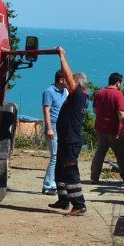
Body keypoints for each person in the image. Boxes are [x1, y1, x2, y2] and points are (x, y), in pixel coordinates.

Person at [49, 47, 88, 216]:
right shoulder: (76, 96)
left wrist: (62, 56)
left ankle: (79, 205)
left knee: (71, 172)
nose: (66, 81)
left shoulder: (79, 95)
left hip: (71, 140)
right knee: (60, 169)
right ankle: (64, 200)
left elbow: (68, 76)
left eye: (71, 81)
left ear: (77, 84)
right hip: (66, 139)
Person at [89, 72, 124, 183]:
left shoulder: (99, 93)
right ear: (118, 83)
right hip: (114, 130)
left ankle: (94, 177)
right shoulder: (118, 94)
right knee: (120, 154)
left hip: (100, 129)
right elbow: (121, 113)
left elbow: (95, 110)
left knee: (100, 153)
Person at [40, 70, 68, 195]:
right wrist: (49, 128)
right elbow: (46, 111)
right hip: (53, 127)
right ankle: (47, 185)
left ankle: (55, 183)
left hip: (62, 127)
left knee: (60, 157)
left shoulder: (65, 92)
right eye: (67, 78)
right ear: (61, 80)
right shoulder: (49, 91)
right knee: (55, 156)